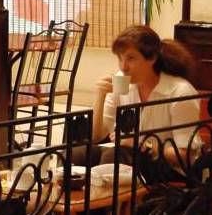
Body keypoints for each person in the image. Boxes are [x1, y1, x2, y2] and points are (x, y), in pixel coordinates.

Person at [86, 26, 202, 175]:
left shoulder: (179, 92)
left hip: (169, 170)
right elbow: (96, 136)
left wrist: (141, 144)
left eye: (130, 58)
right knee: (77, 153)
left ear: (152, 58)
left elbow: (185, 155)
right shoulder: (122, 84)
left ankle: (102, 189)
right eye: (120, 58)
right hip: (131, 158)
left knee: (114, 156)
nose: (123, 67)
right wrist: (100, 96)